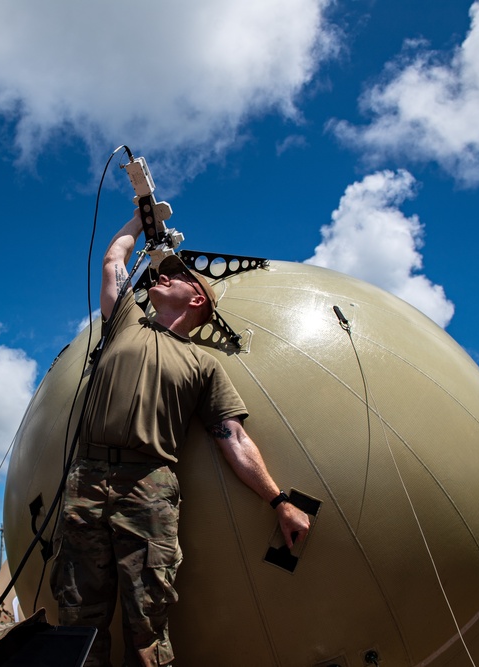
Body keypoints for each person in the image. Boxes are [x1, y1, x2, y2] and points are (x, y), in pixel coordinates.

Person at [50, 213, 311, 667]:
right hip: (86, 478)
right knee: (77, 613)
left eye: (173, 276)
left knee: (147, 616)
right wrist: (138, 217)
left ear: (195, 298)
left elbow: (232, 437)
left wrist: (278, 500)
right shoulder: (126, 321)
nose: (162, 275)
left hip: (148, 485)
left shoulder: (204, 365)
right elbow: (114, 257)